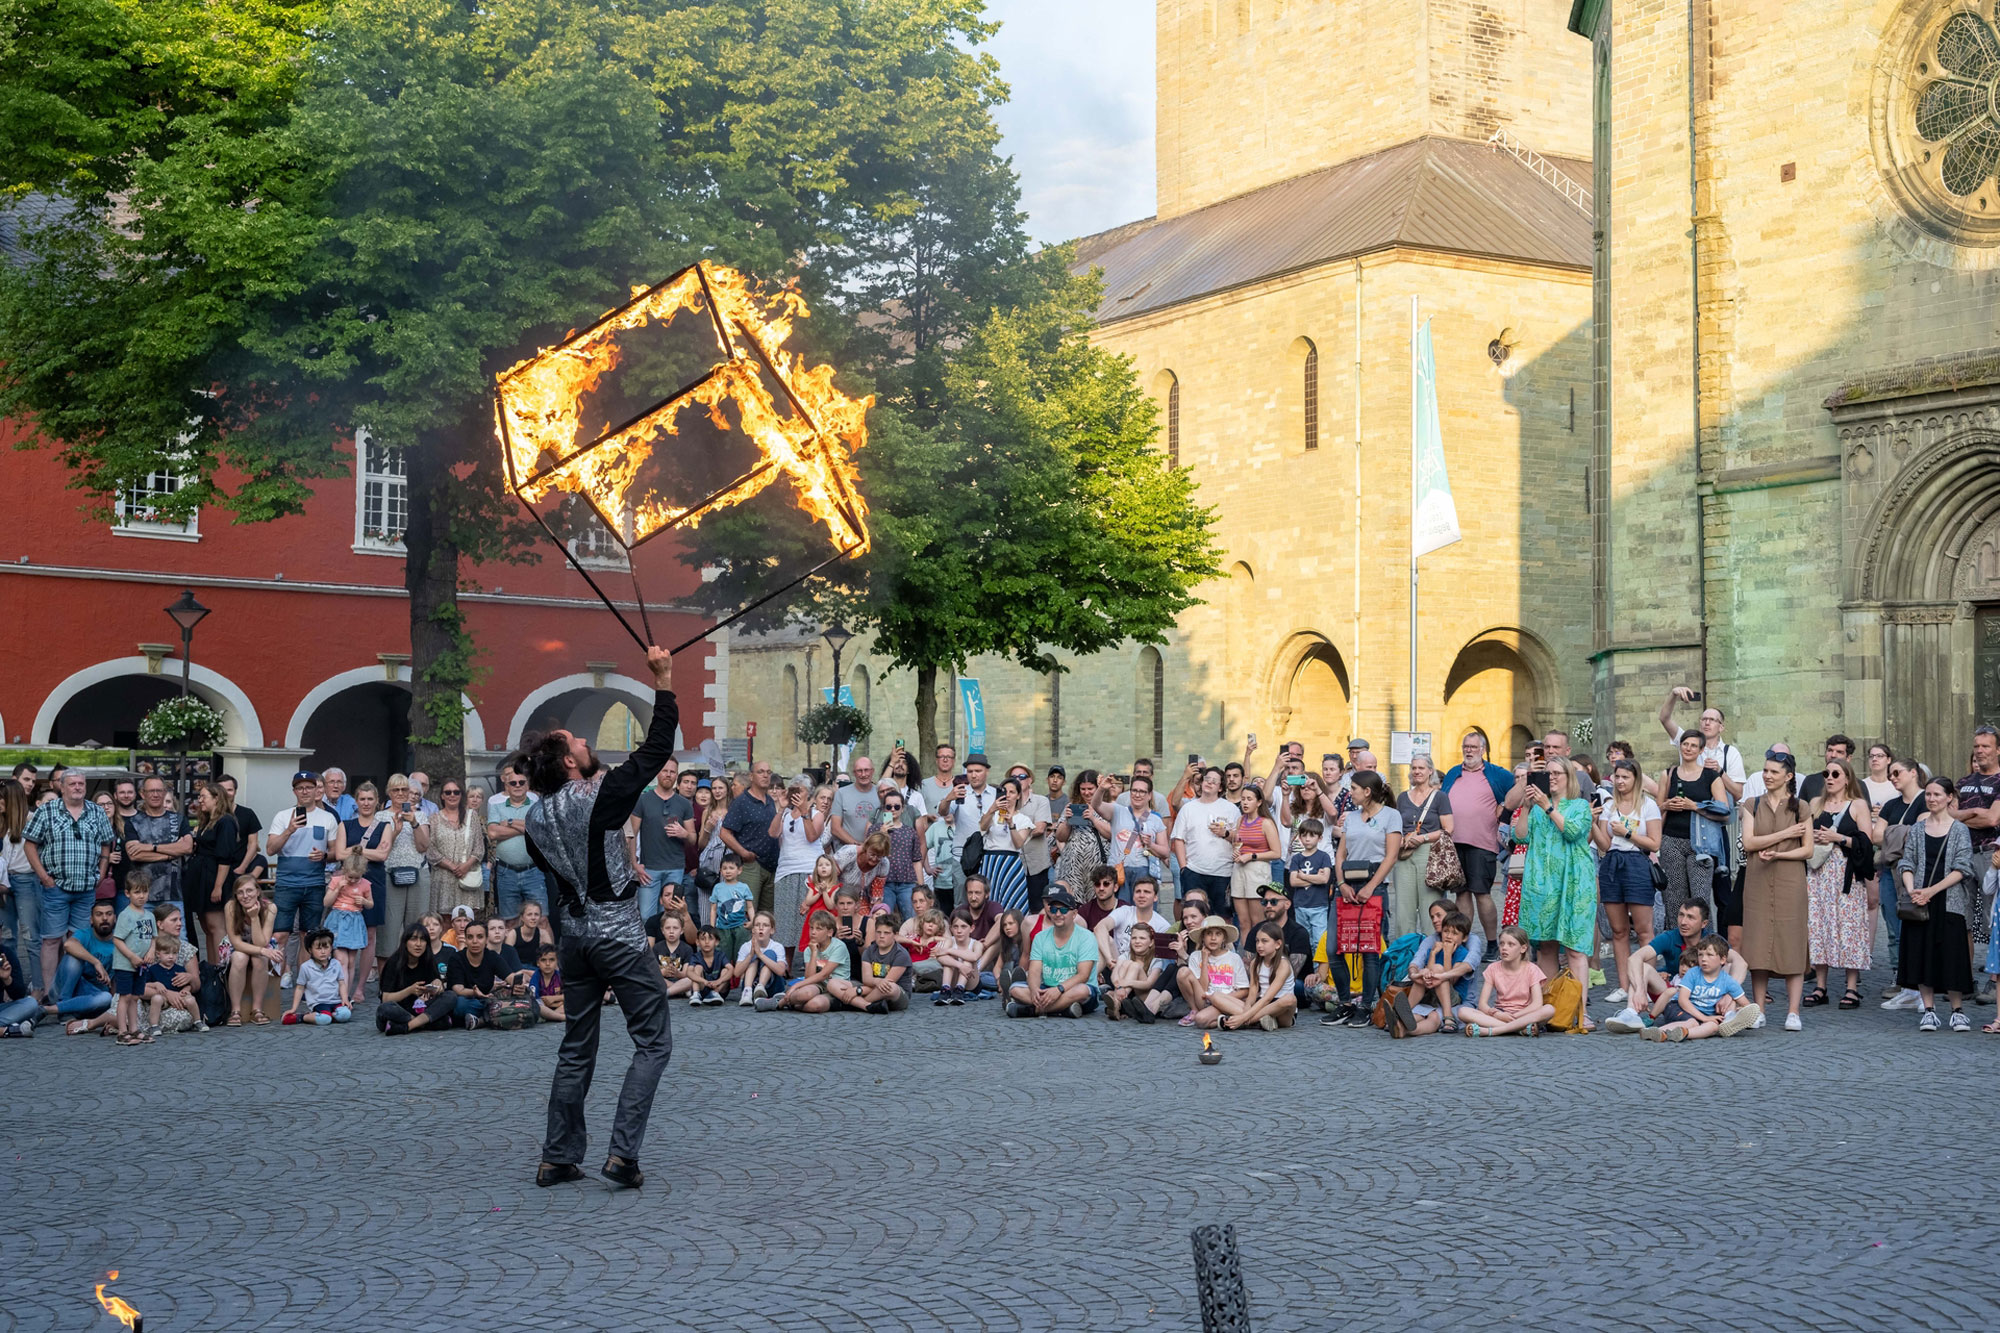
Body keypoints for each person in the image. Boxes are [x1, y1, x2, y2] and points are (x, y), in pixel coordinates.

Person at [516, 644, 677, 1189]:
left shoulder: (534, 818)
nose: (587, 743)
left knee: (577, 1045)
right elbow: (655, 752)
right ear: (568, 761)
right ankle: (622, 1155)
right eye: (580, 743)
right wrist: (664, 680)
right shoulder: (595, 794)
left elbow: (552, 872)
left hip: (574, 942)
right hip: (618, 936)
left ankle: (558, 1156)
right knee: (653, 1041)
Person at [1511, 756, 1597, 1029]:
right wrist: (1526, 808)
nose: (1552, 778)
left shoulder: (1580, 806)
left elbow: (1572, 832)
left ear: (1569, 777)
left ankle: (1579, 1010)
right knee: (1545, 946)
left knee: (1574, 948)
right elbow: (1520, 836)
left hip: (1573, 885)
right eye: (1547, 774)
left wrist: (1548, 807)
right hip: (1543, 885)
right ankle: (1549, 1009)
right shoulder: (1536, 809)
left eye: (1557, 773)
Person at [1899, 776, 1980, 1033]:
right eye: (1929, 794)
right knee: (1922, 954)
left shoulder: (1959, 830)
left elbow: (1962, 868)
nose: (1932, 799)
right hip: (1920, 902)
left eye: (1937, 794)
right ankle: (1929, 1010)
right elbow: (1906, 862)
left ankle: (1957, 1011)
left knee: (1953, 955)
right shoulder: (1917, 829)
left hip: (1949, 901)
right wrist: (1913, 891)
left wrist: (1930, 891)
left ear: (1949, 798)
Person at [24, 769, 116, 997]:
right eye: (73, 784)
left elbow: (106, 843)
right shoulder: (47, 811)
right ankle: (49, 992)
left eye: (81, 784)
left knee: (78, 941)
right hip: (56, 888)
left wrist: (101, 873)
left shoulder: (96, 811)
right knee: (52, 940)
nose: (77, 787)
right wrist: (44, 877)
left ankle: (70, 991)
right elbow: (29, 845)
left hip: (86, 888)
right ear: (62, 787)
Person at [1740, 750, 1813, 1031]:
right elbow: (1749, 842)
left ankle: (1793, 1011)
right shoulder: (1751, 804)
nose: (1767, 776)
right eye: (1765, 771)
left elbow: (1807, 849)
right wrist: (1784, 836)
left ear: (1788, 776)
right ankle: (1759, 1009)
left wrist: (1780, 855)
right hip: (1758, 879)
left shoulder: (1801, 807)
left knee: (1792, 941)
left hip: (1789, 880)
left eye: (1774, 772)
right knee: (1758, 945)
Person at [1603, 899, 1743, 1032]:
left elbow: (1741, 963)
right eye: (1681, 915)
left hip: (1707, 997)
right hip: (1673, 996)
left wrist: (1730, 995)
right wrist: (1640, 990)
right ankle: (1631, 1013)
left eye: (1690, 917)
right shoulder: (1670, 937)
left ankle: (1731, 1015)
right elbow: (1634, 958)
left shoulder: (1712, 940)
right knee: (1642, 967)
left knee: (1728, 966)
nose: (1683, 922)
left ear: (1704, 923)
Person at [1329, 772, 1401, 1022]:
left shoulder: (1391, 816)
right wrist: (1340, 882)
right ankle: (1345, 1001)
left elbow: (1391, 856)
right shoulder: (1350, 818)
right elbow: (1340, 854)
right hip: (1347, 884)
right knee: (1334, 947)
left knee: (1370, 950)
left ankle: (1367, 1005)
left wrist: (1371, 886)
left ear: (1368, 792)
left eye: (1355, 789)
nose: (1351, 793)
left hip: (1374, 884)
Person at [1804, 757, 1874, 1010]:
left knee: (1850, 927)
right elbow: (1802, 834)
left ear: (1847, 778)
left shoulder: (1858, 805)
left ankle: (1851, 988)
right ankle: (1820, 986)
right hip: (1819, 875)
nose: (1830, 778)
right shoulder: (1815, 803)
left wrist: (1838, 837)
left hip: (1847, 874)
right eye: (1827, 773)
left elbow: (1867, 842)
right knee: (1818, 925)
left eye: (1836, 773)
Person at [1591, 758, 1661, 1006]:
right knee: (1618, 931)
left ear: (1636, 779)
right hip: (1612, 864)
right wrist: (1592, 822)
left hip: (1637, 863)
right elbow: (1604, 845)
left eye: (1625, 777)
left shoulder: (1648, 805)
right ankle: (1624, 985)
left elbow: (1654, 843)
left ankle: (1646, 984)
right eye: (1617, 777)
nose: (1620, 782)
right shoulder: (1610, 806)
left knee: (1644, 930)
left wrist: (1628, 833)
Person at [266, 771, 343, 990]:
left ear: (318, 790)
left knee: (307, 935)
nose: (305, 791)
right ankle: (277, 977)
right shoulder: (283, 816)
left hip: (314, 883)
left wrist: (324, 856)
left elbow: (335, 852)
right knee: (279, 933)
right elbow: (270, 849)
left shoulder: (328, 817)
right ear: (294, 791)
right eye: (300, 788)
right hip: (287, 883)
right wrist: (290, 829)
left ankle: (302, 979)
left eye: (309, 787)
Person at [1441, 732, 1513, 957]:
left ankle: (1492, 943)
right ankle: (1463, 943)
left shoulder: (1497, 774)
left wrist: (1505, 808)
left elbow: (1516, 791)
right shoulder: (1454, 772)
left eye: (1473, 746)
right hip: (1455, 844)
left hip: (1482, 843)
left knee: (1482, 893)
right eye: (1466, 746)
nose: (1469, 750)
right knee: (1461, 894)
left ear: (1483, 749)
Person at [1655, 731, 1727, 923]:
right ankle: (1677, 946)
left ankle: (1704, 946)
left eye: (1694, 745)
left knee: (1700, 899)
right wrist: (1667, 805)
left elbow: (1724, 810)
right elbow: (1656, 809)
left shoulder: (1710, 776)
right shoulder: (1668, 773)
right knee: (1674, 898)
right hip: (1671, 840)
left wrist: (1694, 806)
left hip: (1700, 843)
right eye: (1685, 744)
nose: (1688, 748)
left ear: (1701, 750)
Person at [1874, 759, 1928, 1009]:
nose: (1892, 777)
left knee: (1915, 923)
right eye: (1890, 773)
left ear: (1913, 773)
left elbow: (1922, 833)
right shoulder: (1891, 804)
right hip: (1888, 872)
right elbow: (1875, 836)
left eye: (1897, 772)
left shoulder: (1926, 800)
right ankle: (1900, 977)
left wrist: (1892, 832)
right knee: (1894, 926)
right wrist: (1902, 832)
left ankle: (1918, 981)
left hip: (1916, 871)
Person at [1642, 935, 1760, 1041]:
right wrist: (1703, 1018)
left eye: (1709, 955)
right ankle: (1658, 1032)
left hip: (1703, 1016)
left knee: (1714, 1026)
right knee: (1692, 1022)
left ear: (1723, 959)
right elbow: (1683, 1000)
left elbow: (1746, 1004)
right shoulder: (1693, 973)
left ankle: (1683, 1033)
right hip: (1678, 1008)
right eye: (1700, 954)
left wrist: (1739, 1011)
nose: (1703, 959)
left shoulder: (1728, 981)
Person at [1955, 725, 2000, 1004]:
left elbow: (1993, 820)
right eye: (1976, 746)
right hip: (1963, 853)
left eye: (1985, 746)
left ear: (1998, 750)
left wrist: (1962, 815)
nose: (1980, 750)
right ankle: (1965, 979)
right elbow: (1945, 815)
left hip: (1989, 854)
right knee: (1963, 921)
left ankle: (1995, 982)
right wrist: (1974, 813)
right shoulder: (1963, 782)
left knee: (1993, 920)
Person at [1007, 889, 1099, 1017]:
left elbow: (1083, 975)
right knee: (1015, 989)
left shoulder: (1087, 937)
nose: (1058, 914)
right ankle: (1064, 1009)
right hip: (1047, 987)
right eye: (1054, 910)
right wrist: (1034, 990)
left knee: (1082, 991)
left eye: (1064, 910)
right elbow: (1034, 971)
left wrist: (1059, 990)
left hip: (1077, 988)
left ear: (1074, 914)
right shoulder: (1040, 937)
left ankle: (1033, 1010)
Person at [1456, 925, 1555, 1037]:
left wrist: (1515, 1016)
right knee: (1463, 1011)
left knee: (1549, 1009)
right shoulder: (1493, 968)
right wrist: (1498, 1014)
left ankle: (1494, 1031)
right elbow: (1482, 1004)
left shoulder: (1532, 969)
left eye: (1510, 944)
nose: (1504, 948)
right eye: (1501, 943)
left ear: (1523, 948)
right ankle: (1519, 1029)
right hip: (1501, 1013)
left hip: (1525, 1014)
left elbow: (1537, 1004)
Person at [1395, 907, 1477, 1038]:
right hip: (1431, 995)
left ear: (1464, 938)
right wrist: (1432, 954)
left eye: (1454, 933)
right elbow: (1430, 973)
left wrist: (1447, 954)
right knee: (1426, 972)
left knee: (1434, 1016)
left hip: (1453, 999)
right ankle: (1403, 1018)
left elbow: (1450, 980)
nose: (1449, 936)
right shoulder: (1434, 949)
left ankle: (1446, 1017)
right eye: (1446, 932)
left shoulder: (1462, 953)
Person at [769, 778, 830, 952]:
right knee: (784, 922)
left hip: (808, 871)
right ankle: (786, 966)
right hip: (785, 872)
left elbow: (812, 836)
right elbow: (773, 833)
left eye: (800, 790)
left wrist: (804, 812)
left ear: (808, 794)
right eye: (793, 790)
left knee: (808, 921)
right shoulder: (786, 813)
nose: (796, 794)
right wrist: (781, 809)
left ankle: (810, 963)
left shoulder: (816, 814)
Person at [123, 775, 192, 929]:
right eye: (151, 791)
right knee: (143, 944)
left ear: (164, 792)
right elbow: (135, 854)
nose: (155, 794)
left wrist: (150, 847)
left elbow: (187, 847)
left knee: (177, 942)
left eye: (159, 791)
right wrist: (171, 853)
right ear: (142, 794)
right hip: (142, 896)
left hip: (173, 894)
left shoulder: (179, 820)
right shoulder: (133, 822)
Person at [1657, 686, 1746, 800]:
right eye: (1704, 719)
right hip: (1688, 810)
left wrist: (1720, 771)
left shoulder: (1731, 753)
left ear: (1721, 727)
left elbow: (1738, 794)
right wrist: (1673, 694)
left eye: (1712, 720)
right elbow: (1664, 718)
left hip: (1716, 814)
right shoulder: (1687, 741)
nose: (1707, 723)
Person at [44, 899, 119, 1034]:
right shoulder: (85, 934)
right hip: (64, 990)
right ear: (91, 919)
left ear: (115, 918)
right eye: (99, 914)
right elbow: (68, 945)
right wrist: (96, 962)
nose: (104, 918)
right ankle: (64, 1007)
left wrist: (114, 1009)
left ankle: (57, 1009)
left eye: (108, 914)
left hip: (92, 996)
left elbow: (116, 980)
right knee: (74, 958)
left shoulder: (119, 942)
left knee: (107, 998)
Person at [719, 760, 781, 921]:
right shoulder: (741, 802)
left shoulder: (770, 801)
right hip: (751, 866)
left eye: (768, 772)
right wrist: (744, 853)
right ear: (751, 776)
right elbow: (724, 833)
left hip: (771, 866)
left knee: (766, 918)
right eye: (761, 772)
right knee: (747, 915)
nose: (766, 775)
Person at [377, 775, 430, 961]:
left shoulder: (420, 815)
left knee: (417, 929)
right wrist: (396, 830)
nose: (400, 793)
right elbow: (380, 849)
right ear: (389, 793)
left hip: (418, 875)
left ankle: (414, 977)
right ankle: (387, 983)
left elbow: (424, 847)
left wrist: (414, 822)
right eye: (395, 790)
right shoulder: (380, 816)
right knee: (389, 930)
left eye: (404, 790)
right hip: (390, 875)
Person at [489, 761, 549, 923]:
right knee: (509, 922)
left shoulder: (537, 804)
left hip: (533, 871)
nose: (517, 785)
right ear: (506, 786)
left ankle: (547, 949)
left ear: (527, 784)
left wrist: (509, 822)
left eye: (521, 782)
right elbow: (493, 832)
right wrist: (525, 826)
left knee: (542, 920)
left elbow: (539, 831)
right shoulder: (496, 805)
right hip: (505, 872)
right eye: (513, 783)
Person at [1171, 767, 1238, 910]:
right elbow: (1178, 839)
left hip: (1223, 872)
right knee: (1194, 914)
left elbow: (1239, 838)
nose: (1209, 783)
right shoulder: (1188, 808)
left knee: (1222, 917)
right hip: (1194, 872)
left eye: (1214, 781)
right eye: (1207, 779)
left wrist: (1225, 833)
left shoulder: (1231, 809)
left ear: (1221, 787)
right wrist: (1184, 869)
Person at [139, 906, 206, 1035]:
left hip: (175, 1002)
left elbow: (197, 986)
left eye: (180, 920)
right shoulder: (145, 947)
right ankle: (94, 1023)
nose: (179, 924)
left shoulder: (187, 948)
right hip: (147, 999)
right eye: (174, 920)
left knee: (182, 1018)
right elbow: (139, 986)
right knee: (125, 1007)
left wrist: (190, 979)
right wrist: (166, 993)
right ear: (160, 924)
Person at [321, 848, 373, 1009]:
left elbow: (371, 904)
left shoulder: (365, 884)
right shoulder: (337, 880)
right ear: (344, 870)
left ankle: (346, 995)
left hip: (355, 921)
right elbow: (326, 902)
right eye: (350, 876)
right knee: (340, 960)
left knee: (351, 961)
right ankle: (337, 995)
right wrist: (337, 889)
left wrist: (364, 902)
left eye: (356, 878)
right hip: (338, 919)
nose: (352, 880)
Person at [1176, 914, 1248, 1029]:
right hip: (1204, 999)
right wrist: (1204, 961)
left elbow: (1244, 991)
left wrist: (1224, 999)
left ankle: (1227, 1020)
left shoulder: (1234, 958)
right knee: (1182, 972)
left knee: (1202, 1020)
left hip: (1227, 999)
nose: (1213, 938)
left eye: (1218, 934)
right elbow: (1202, 989)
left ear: (1224, 938)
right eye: (1209, 934)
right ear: (1203, 937)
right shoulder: (1196, 956)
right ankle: (1195, 1010)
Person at [1051, 770, 1113, 902]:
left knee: (1097, 903)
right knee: (1074, 903)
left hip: (1098, 866)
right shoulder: (1072, 807)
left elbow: (1112, 834)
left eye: (1090, 789)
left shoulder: (1107, 808)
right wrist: (1068, 821)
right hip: (1073, 868)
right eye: (1083, 789)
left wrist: (1094, 819)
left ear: (1098, 788)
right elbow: (1061, 837)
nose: (1086, 793)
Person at [223, 876, 278, 1025]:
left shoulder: (270, 908)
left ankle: (257, 1009)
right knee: (241, 957)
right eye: (240, 892)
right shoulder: (231, 907)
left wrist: (254, 918)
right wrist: (262, 950)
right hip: (238, 947)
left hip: (261, 946)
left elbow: (262, 942)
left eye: (249, 891)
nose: (245, 896)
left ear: (258, 891)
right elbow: (236, 943)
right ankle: (235, 1010)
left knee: (259, 959)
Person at [375, 924, 449, 1034]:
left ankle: (407, 1026)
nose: (418, 944)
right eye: (414, 939)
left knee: (450, 996)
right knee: (385, 1009)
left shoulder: (428, 959)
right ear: (405, 942)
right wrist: (410, 990)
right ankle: (423, 1023)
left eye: (422, 940)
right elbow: (386, 998)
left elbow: (438, 988)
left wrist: (438, 984)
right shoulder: (393, 962)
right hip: (400, 1009)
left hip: (421, 1008)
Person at [110, 869, 157, 1043]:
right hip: (125, 964)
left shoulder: (149, 916)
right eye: (137, 892)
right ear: (128, 893)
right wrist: (131, 957)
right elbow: (117, 940)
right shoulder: (125, 915)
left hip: (142, 965)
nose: (141, 896)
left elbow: (153, 938)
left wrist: (151, 951)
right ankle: (122, 1032)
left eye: (144, 891)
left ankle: (134, 1028)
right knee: (125, 997)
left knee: (135, 997)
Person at [1225, 921, 1298, 1031]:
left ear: (1278, 944)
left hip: (1281, 1008)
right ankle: (1261, 1020)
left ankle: (1245, 1022)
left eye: (1264, 941)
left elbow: (1268, 997)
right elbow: (1253, 992)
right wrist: (1247, 1007)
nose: (1259, 945)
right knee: (1217, 996)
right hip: (1261, 1004)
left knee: (1289, 999)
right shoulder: (1255, 963)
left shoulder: (1283, 964)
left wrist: (1244, 1017)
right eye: (1257, 941)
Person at [0, 784, 38, 998]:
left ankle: (37, 989)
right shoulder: (1, 822)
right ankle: (11, 989)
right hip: (3, 884)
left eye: (1, 800)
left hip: (25, 880)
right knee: (6, 938)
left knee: (31, 937)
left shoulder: (31, 820)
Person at [1227, 785, 1281, 932]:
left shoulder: (1266, 823)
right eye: (1243, 799)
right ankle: (1246, 954)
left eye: (1249, 799)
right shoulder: (1240, 820)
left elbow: (1277, 853)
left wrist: (1252, 856)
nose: (1245, 802)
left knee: (1258, 921)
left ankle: (1259, 952)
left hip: (1257, 869)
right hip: (1239, 869)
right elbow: (1238, 842)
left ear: (1258, 802)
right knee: (1243, 922)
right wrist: (1236, 852)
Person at [770, 909, 845, 1012]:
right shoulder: (809, 949)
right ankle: (789, 1000)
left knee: (814, 1005)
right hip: (818, 985)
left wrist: (796, 986)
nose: (813, 932)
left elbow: (823, 975)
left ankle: (784, 1002)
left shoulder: (838, 947)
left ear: (830, 932)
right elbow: (809, 977)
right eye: (811, 928)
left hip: (835, 988)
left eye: (818, 929)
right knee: (805, 994)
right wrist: (814, 952)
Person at [846, 914, 914, 1013]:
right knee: (834, 983)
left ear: (895, 935)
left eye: (886, 933)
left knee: (890, 987)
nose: (881, 936)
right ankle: (867, 1005)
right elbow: (866, 979)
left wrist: (858, 991)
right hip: (872, 987)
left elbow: (886, 984)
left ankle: (858, 1004)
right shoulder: (869, 950)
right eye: (878, 932)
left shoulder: (901, 954)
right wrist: (876, 982)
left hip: (896, 996)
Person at [283, 928, 351, 1026]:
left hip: (336, 1001)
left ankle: (329, 1015)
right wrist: (293, 1008)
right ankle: (302, 1017)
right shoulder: (306, 967)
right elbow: (300, 987)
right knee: (324, 1020)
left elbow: (341, 983)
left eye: (326, 947)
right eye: (318, 948)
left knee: (345, 1014)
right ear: (310, 950)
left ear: (331, 948)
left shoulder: (336, 964)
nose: (323, 952)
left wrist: (345, 999)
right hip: (319, 1003)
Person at [735, 912, 789, 1006]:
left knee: (769, 954)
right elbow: (737, 973)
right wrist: (751, 955)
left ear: (772, 930)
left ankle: (761, 986)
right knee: (753, 958)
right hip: (751, 985)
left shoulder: (777, 947)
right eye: (757, 925)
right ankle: (747, 992)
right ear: (753, 930)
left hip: (774, 986)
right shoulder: (745, 946)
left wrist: (760, 955)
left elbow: (781, 971)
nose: (761, 928)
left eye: (765, 925)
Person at [708, 853, 753, 963]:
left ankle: (738, 978)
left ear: (739, 870)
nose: (727, 871)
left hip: (740, 927)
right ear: (720, 871)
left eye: (731, 868)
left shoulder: (744, 887)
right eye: (724, 868)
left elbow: (750, 907)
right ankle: (725, 978)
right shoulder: (718, 888)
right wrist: (712, 927)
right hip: (722, 928)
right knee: (724, 955)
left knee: (741, 954)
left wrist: (753, 921)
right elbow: (713, 909)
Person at [934, 911, 982, 1003]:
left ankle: (960, 989)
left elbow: (974, 957)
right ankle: (945, 989)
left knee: (967, 959)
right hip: (953, 981)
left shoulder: (977, 944)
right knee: (948, 960)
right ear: (951, 928)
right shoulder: (949, 941)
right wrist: (960, 966)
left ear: (971, 928)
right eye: (955, 927)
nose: (959, 931)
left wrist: (949, 950)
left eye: (963, 927)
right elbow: (939, 956)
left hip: (972, 983)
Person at [687, 926, 733, 1005]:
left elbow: (731, 969)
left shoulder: (720, 955)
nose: (707, 942)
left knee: (726, 970)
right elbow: (689, 972)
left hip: (719, 988)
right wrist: (704, 981)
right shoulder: (696, 957)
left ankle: (715, 993)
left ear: (716, 942)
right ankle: (696, 994)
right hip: (703, 988)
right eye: (703, 939)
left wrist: (719, 981)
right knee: (697, 967)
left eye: (710, 939)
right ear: (697, 942)